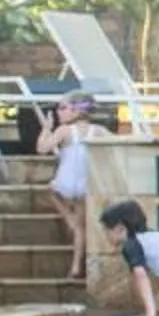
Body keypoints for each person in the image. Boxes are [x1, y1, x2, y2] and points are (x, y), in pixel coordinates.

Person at [38, 94, 100, 280]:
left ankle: (70, 222)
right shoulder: (98, 131)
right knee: (81, 226)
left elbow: (42, 149)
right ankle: (75, 266)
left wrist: (46, 129)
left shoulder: (64, 131)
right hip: (84, 184)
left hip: (64, 184)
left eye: (62, 108)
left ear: (76, 111)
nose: (58, 112)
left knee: (53, 190)